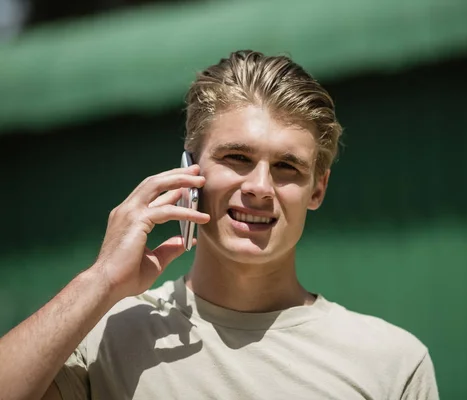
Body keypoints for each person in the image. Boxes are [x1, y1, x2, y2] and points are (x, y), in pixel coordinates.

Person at [0, 50, 439, 400]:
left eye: (287, 166)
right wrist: (99, 282)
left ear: (317, 189)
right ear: (190, 169)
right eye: (237, 158)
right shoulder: (106, 336)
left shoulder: (392, 363)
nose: (261, 187)